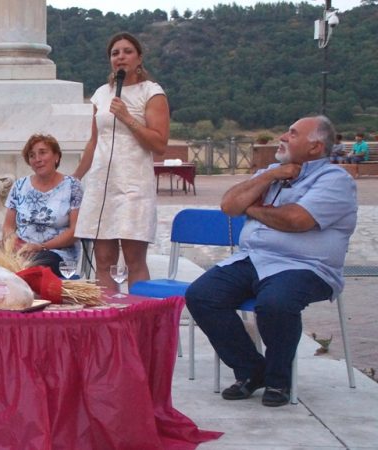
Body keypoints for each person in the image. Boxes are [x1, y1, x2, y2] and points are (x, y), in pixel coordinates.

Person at [185, 116, 357, 407]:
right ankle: (252, 371)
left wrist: (250, 209)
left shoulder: (335, 180)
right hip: (254, 258)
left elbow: (296, 220)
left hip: (305, 266)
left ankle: (279, 381)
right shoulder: (272, 172)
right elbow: (229, 205)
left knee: (275, 303)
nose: (284, 137)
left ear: (315, 147)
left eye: (292, 133)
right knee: (202, 296)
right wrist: (268, 177)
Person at [72, 32, 170, 289]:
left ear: (139, 58)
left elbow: (159, 144)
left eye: (127, 51)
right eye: (115, 53)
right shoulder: (101, 94)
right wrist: (76, 177)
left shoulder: (152, 92)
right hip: (102, 185)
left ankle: (138, 321)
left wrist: (127, 117)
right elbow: (94, 142)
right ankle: (109, 323)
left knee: (133, 259)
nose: (120, 57)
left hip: (133, 186)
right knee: (103, 260)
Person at [3, 134, 83, 276]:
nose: (37, 159)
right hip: (21, 252)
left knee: (36, 265)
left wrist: (40, 247)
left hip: (56, 253)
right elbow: (8, 226)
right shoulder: (19, 185)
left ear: (56, 156)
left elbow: (75, 231)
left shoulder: (72, 186)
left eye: (42, 153)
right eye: (32, 155)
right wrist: (15, 246)